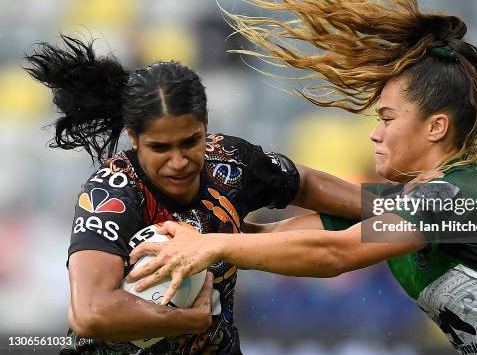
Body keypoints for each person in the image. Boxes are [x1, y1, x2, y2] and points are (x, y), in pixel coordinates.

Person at [126, 0, 477, 354]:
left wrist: (212, 247)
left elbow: (336, 253)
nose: (375, 135)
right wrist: (205, 231)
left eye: (387, 118)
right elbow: (290, 243)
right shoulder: (405, 203)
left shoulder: (462, 198)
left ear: (436, 126)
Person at [24, 35, 363, 354]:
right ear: (134, 137)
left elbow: (305, 188)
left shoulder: (229, 163)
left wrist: (403, 210)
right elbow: (90, 313)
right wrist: (188, 320)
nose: (178, 162)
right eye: (160, 148)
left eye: (190, 141)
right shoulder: (111, 192)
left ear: (205, 124)